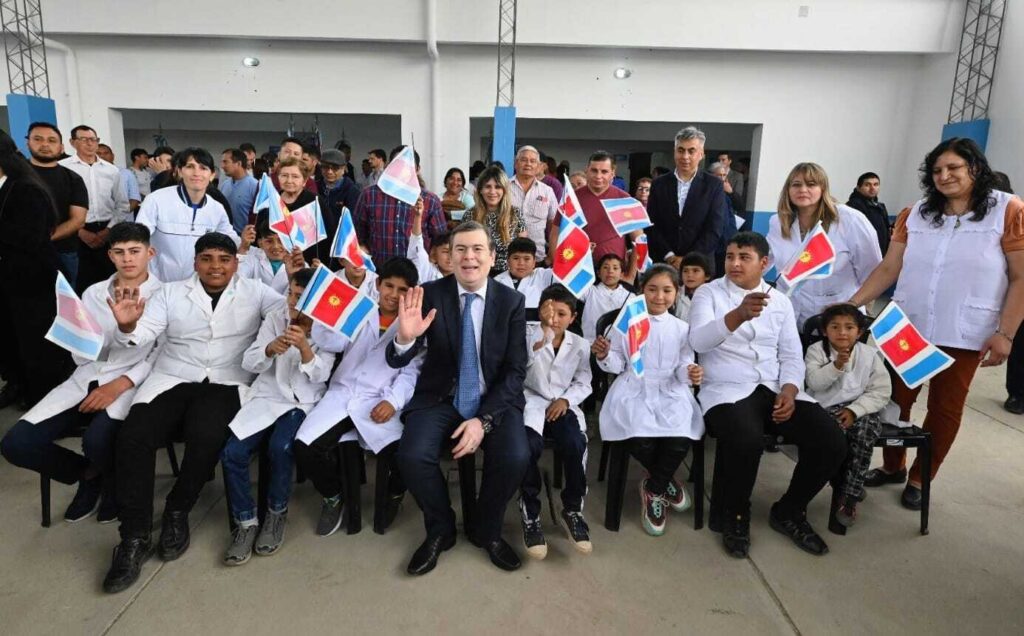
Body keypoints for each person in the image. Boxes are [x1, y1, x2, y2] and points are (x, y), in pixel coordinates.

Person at [101, 232, 284, 594]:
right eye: (207, 259)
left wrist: (299, 274)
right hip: (173, 377)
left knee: (207, 436)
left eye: (224, 259)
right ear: (195, 262)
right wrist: (127, 325)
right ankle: (134, 536)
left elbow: (294, 307)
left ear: (236, 263)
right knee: (133, 436)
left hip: (226, 379)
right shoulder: (170, 293)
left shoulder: (256, 291)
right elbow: (143, 333)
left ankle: (177, 509)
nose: (216, 267)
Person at [849, 138, 1024, 510]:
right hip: (906, 328)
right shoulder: (915, 214)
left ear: (975, 168)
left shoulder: (1008, 211)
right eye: (937, 170)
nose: (944, 176)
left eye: (953, 168)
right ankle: (893, 466)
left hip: (965, 330)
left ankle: (920, 477)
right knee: (892, 401)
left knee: (944, 408)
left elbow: (1020, 277)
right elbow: (889, 267)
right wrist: (851, 305)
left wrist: (1006, 333)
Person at [689, 232, 847, 558]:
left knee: (831, 439)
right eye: (730, 256)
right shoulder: (709, 293)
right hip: (726, 389)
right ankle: (736, 514)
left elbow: (791, 355)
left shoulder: (780, 301)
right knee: (746, 440)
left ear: (764, 263)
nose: (734, 263)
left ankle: (790, 509)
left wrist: (790, 389)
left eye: (744, 257)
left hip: (774, 386)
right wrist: (738, 315)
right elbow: (698, 342)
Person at [385, 221, 530, 575]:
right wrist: (405, 338)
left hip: (493, 399)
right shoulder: (430, 294)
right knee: (411, 455)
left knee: (515, 456)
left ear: (492, 257)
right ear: (449, 256)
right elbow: (397, 359)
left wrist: (484, 420)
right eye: (460, 249)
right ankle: (441, 529)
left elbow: (515, 372)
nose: (469, 257)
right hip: (441, 395)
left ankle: (487, 529)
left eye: (478, 249)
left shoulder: (511, 301)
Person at [1, 222, 160, 523]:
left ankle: (114, 483)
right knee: (17, 444)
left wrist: (119, 383)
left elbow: (160, 355)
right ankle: (89, 474)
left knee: (97, 441)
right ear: (110, 255)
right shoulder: (93, 293)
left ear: (150, 253)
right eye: (119, 252)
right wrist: (76, 337)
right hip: (87, 376)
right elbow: (83, 353)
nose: (127, 259)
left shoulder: (164, 295)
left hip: (134, 382)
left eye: (135, 251)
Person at [294, 257, 421, 537]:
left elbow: (411, 371)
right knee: (304, 448)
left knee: (407, 456)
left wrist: (392, 401)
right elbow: (332, 342)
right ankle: (333, 495)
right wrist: (325, 315)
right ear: (378, 284)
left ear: (411, 293)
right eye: (389, 286)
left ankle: (395, 493)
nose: (393, 294)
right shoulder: (360, 311)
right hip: (345, 393)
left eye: (402, 290)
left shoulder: (414, 323)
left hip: (382, 398)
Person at [220, 268, 334, 564]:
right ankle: (246, 521)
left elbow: (322, 375)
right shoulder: (275, 319)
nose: (293, 302)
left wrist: (305, 348)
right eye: (291, 294)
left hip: (301, 400)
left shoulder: (328, 327)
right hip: (267, 395)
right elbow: (250, 360)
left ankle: (275, 513)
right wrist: (269, 349)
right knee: (232, 452)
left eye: (302, 297)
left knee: (280, 447)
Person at [592, 264, 704, 535]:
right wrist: (604, 354)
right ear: (642, 290)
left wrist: (689, 372)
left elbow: (683, 364)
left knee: (680, 437)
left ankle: (653, 487)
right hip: (633, 386)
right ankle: (664, 481)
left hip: (670, 388)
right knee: (637, 433)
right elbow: (618, 363)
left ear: (676, 293)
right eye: (652, 289)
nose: (659, 297)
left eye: (667, 290)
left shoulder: (682, 328)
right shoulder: (627, 322)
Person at [519, 286, 593, 558]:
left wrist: (566, 400)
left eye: (562, 314)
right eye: (549, 312)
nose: (555, 319)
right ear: (541, 311)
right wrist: (542, 338)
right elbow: (519, 367)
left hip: (562, 404)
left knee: (575, 443)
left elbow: (584, 381)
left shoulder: (580, 344)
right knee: (529, 447)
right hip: (531, 401)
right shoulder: (527, 334)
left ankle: (572, 509)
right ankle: (530, 513)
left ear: (573, 318)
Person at [804, 303, 893, 527]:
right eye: (835, 327)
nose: (842, 332)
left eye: (849, 327)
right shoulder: (816, 351)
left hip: (861, 409)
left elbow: (881, 391)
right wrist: (836, 366)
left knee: (864, 432)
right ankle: (844, 483)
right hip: (825, 408)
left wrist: (855, 410)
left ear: (859, 332)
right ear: (825, 331)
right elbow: (814, 383)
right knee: (834, 438)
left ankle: (849, 496)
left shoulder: (869, 355)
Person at [0, 129, 69, 409]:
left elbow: (32, 237)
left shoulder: (25, 189)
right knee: (8, 339)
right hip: (7, 281)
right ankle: (17, 384)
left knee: (35, 345)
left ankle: (42, 398)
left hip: (31, 282)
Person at [767, 163, 882, 329]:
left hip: (839, 320)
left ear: (823, 188)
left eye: (811, 184)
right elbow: (764, 261)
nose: (803, 190)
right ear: (788, 190)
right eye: (796, 184)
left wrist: (852, 304)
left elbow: (874, 273)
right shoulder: (777, 222)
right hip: (790, 317)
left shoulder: (849, 219)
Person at [136, 148, 238, 283]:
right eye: (190, 167)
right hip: (158, 284)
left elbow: (231, 240)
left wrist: (246, 243)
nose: (197, 173)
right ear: (179, 171)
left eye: (203, 168)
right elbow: (137, 239)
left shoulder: (216, 208)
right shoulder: (156, 200)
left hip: (196, 286)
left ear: (212, 175)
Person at [59, 125, 130, 293]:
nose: (90, 144)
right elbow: (59, 206)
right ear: (72, 142)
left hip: (107, 230)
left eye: (93, 140)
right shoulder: (63, 168)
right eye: (84, 139)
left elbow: (122, 204)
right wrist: (80, 231)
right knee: (80, 281)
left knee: (110, 281)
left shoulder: (111, 170)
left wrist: (108, 231)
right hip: (76, 231)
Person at [645, 127, 729, 267]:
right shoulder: (659, 184)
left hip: (700, 264)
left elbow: (715, 228)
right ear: (674, 152)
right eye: (681, 150)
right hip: (665, 262)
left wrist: (688, 259)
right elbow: (652, 225)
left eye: (691, 151)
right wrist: (669, 256)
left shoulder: (714, 185)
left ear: (701, 154)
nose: (685, 156)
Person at [354, 146, 447, 263]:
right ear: (388, 166)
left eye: (408, 166)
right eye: (397, 165)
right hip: (379, 268)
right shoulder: (369, 195)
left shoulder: (430, 200)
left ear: (417, 169)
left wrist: (430, 260)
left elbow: (440, 238)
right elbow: (358, 231)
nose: (402, 170)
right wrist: (363, 250)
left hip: (418, 270)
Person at [26, 122, 89, 287]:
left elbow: (78, 220)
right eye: (38, 139)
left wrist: (41, 238)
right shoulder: (13, 176)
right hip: (19, 252)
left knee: (63, 299)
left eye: (51, 140)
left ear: (61, 147)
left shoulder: (73, 179)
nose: (45, 144)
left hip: (63, 252)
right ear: (27, 143)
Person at [571, 151, 634, 261]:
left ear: (612, 173)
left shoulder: (624, 199)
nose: (598, 176)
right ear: (587, 170)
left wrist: (632, 271)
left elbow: (638, 239)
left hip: (615, 267)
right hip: (578, 264)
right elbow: (557, 232)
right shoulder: (572, 198)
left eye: (604, 171)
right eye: (594, 170)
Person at [470, 165, 528, 273]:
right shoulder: (470, 215)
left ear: (504, 190)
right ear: (480, 190)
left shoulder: (515, 213)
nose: (492, 192)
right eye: (488, 186)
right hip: (477, 272)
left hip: (508, 274)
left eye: (497, 187)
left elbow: (522, 248)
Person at [510, 146, 559, 263]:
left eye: (533, 161)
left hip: (538, 257)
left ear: (538, 166)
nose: (528, 164)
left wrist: (551, 256)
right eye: (524, 160)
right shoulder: (503, 188)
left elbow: (555, 225)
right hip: (508, 258)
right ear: (516, 164)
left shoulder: (547, 191)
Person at [238, 211, 305, 294]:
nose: (276, 246)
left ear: (290, 241)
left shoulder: (299, 264)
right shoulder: (252, 257)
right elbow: (238, 279)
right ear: (260, 243)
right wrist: (243, 247)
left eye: (281, 240)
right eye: (269, 241)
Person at [494, 237, 554, 323]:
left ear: (534, 262)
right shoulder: (497, 282)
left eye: (526, 259)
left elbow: (566, 270)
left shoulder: (544, 276)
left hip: (538, 330)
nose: (521, 263)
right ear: (508, 261)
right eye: (516, 258)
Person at [315, 148, 360, 239]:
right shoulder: (315, 187)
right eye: (325, 167)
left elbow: (354, 221)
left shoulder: (351, 190)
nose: (329, 171)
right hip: (318, 238)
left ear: (343, 168)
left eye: (335, 168)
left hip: (341, 239)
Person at [845, 171, 891, 255]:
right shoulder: (853, 206)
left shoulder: (880, 206)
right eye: (867, 185)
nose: (872, 188)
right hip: (863, 254)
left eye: (876, 184)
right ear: (858, 188)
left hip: (881, 253)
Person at [408, 199, 453, 283]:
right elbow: (416, 243)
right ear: (434, 253)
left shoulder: (465, 277)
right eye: (445, 251)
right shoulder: (427, 271)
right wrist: (418, 216)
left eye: (456, 252)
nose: (450, 257)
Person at [219, 148, 258, 233]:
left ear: (238, 164)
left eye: (225, 162)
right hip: (225, 235)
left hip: (245, 237)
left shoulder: (255, 186)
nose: (222, 166)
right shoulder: (224, 185)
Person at [97, 144, 141, 216]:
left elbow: (134, 199)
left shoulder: (126, 173)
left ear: (113, 156)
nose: (102, 156)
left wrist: (120, 216)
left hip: (124, 219)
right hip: (99, 219)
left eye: (106, 153)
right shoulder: (90, 175)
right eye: (98, 153)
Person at [675, 251, 713, 322]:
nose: (689, 275)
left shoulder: (714, 296)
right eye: (685, 271)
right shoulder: (675, 294)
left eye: (695, 271)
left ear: (707, 276)